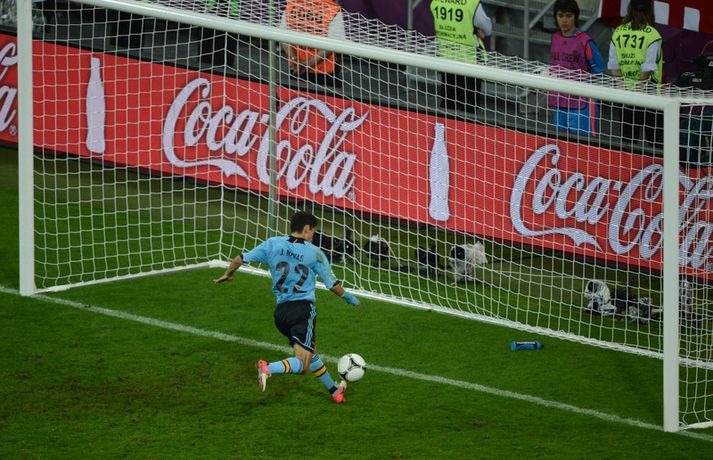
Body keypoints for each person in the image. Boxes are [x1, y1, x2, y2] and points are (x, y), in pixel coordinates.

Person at [214, 211, 360, 404]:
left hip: (281, 314)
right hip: (302, 311)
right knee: (302, 364)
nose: (313, 235)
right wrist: (348, 297)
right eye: (313, 231)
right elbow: (332, 285)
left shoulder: (272, 243)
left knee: (311, 352)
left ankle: (335, 391)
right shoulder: (315, 252)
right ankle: (268, 368)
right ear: (306, 229)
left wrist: (229, 274)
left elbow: (240, 258)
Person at [608, 0, 663, 146]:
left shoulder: (618, 32)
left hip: (626, 95)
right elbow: (647, 70)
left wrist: (626, 95)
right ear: (650, 10)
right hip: (650, 96)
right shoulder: (653, 34)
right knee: (656, 144)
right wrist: (636, 95)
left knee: (628, 143)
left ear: (629, 9)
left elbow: (615, 67)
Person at [548, 0, 605, 136]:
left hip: (581, 103)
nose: (564, 20)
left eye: (568, 16)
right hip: (559, 99)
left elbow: (599, 69)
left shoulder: (585, 41)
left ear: (575, 17)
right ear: (555, 17)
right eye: (560, 16)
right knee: (560, 141)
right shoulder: (555, 38)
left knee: (580, 143)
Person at [430, 0, 492, 113]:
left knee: (448, 105)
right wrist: (476, 29)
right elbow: (487, 29)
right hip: (469, 59)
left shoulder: (437, 1)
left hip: (446, 55)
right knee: (469, 109)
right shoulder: (471, 3)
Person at [279, 0, 346, 87]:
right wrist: (309, 64)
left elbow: (283, 37)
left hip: (297, 67)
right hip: (323, 71)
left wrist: (294, 59)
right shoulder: (333, 9)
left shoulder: (293, 3)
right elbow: (334, 45)